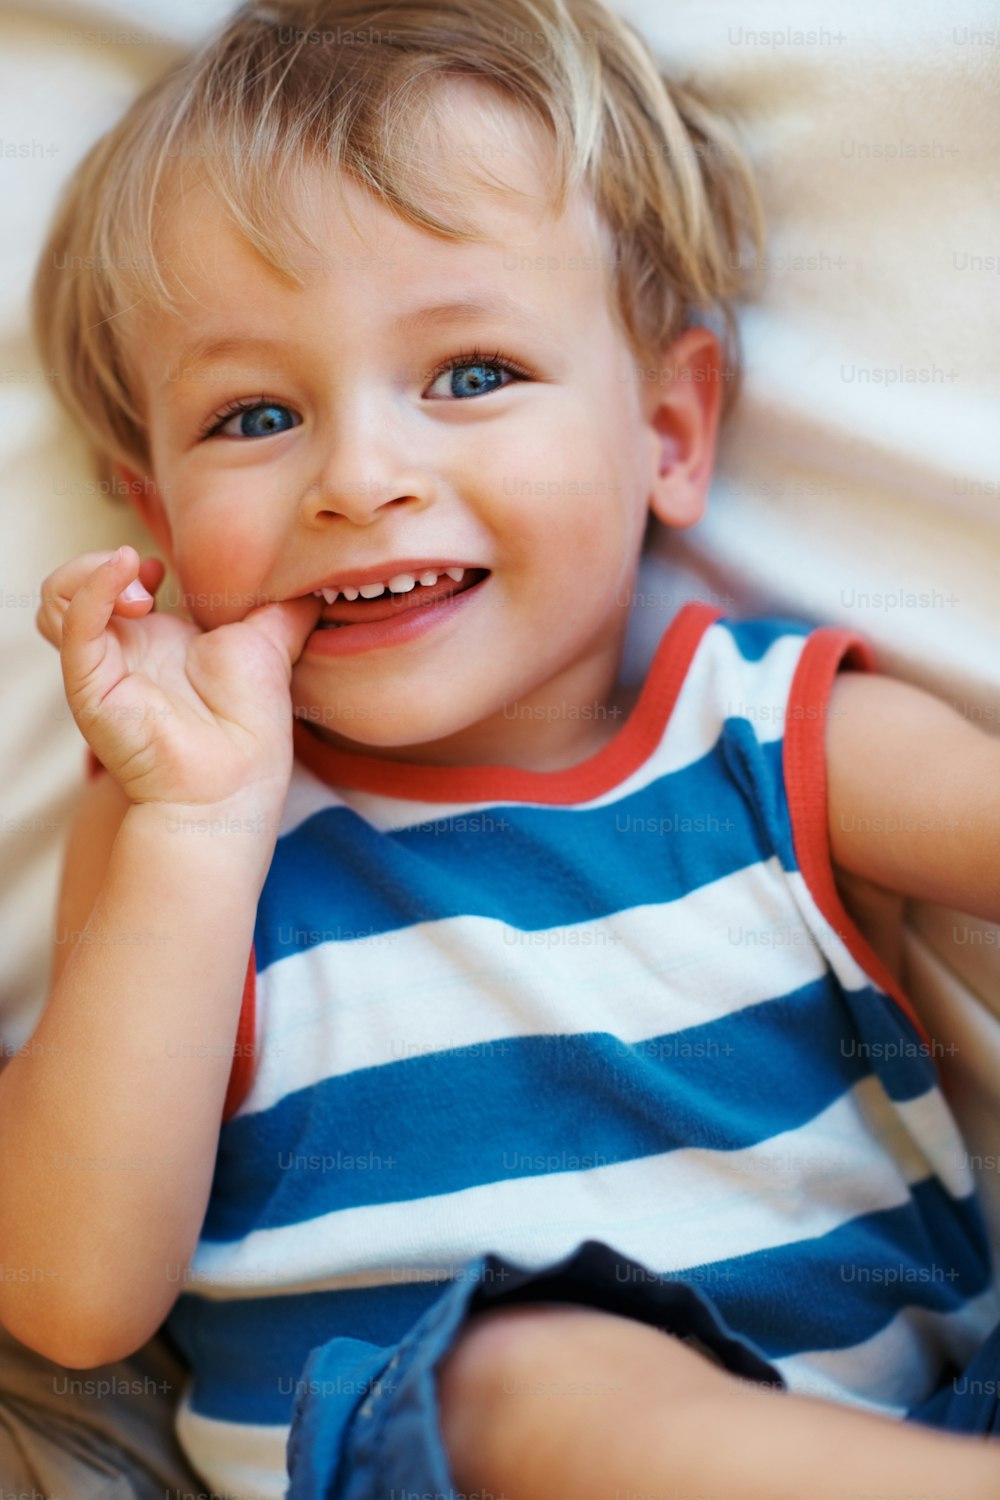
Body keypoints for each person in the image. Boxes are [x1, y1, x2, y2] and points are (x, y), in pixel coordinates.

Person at [4, 0, 1000, 1496]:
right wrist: (198, 830)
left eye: (469, 374)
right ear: (152, 519)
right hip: (438, 1456)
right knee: (528, 1373)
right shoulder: (186, 824)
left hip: (903, 1438)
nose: (361, 477)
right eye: (256, 413)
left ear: (668, 432)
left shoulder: (773, 738)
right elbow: (71, 1297)